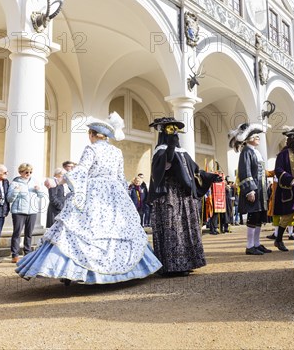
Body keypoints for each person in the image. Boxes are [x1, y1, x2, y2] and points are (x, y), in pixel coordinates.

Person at [16, 112, 162, 284]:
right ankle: (121, 271)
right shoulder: (116, 151)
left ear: (92, 135)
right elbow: (121, 178)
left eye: (89, 134)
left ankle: (73, 271)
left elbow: (81, 170)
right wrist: (123, 198)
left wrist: (58, 181)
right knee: (116, 229)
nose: (89, 138)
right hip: (114, 194)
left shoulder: (91, 148)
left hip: (93, 192)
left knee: (81, 229)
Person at [147, 117, 221, 277]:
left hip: (184, 197)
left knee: (185, 228)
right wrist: (170, 148)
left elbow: (195, 172)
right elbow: (162, 168)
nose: (174, 133)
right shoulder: (160, 152)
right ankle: (171, 266)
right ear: (163, 133)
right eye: (170, 130)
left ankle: (186, 262)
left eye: (175, 130)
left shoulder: (184, 153)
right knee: (172, 228)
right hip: (169, 196)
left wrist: (210, 177)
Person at [229, 122, 271, 256]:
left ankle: (257, 244)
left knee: (258, 217)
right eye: (256, 136)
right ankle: (249, 246)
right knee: (252, 217)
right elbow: (244, 172)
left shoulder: (255, 152)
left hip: (261, 190)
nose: (258, 138)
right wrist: (249, 190)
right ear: (249, 138)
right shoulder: (246, 152)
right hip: (253, 190)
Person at [7, 163, 45, 263]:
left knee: (29, 233)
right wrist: (15, 191)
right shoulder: (15, 183)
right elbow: (9, 198)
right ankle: (15, 254)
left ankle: (27, 253)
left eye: (30, 172)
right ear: (21, 172)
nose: (28, 174)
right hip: (19, 211)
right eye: (26, 172)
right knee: (17, 233)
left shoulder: (34, 182)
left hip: (32, 211)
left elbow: (41, 196)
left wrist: (39, 190)